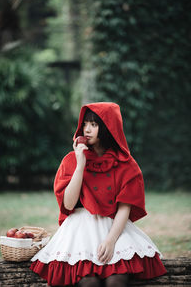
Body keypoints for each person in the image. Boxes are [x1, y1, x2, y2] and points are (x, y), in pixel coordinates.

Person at [30, 102, 167, 286]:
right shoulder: (71, 160)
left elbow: (124, 208)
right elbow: (69, 204)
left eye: (94, 125)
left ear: (108, 128)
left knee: (116, 281)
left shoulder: (127, 165)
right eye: (85, 124)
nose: (86, 129)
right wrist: (80, 164)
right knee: (89, 283)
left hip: (114, 228)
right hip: (80, 230)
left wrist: (110, 241)